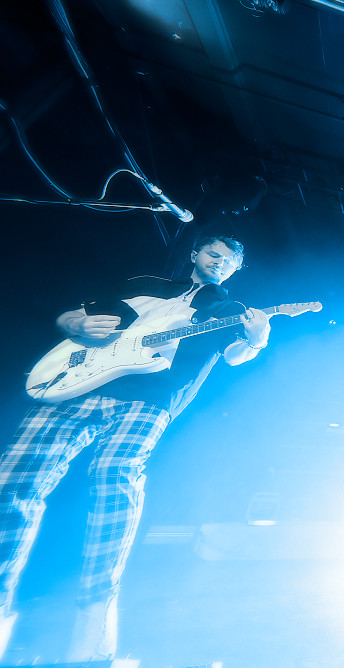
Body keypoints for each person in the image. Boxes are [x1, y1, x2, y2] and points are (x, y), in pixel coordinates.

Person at [0, 235, 270, 661]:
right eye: (214, 253)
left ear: (235, 271)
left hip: (150, 398)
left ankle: (93, 627)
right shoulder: (144, 281)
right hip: (74, 385)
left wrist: (256, 339)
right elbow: (77, 314)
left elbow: (236, 356)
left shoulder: (230, 310)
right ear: (195, 255)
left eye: (231, 261)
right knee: (12, 483)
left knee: (114, 478)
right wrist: (72, 324)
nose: (221, 262)